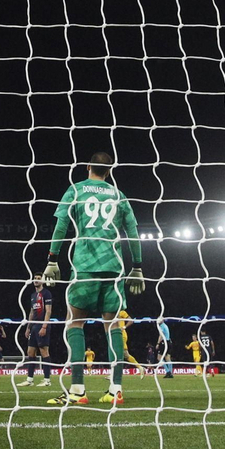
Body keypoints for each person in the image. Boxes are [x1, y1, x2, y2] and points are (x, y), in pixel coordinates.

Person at [42, 151, 143, 407]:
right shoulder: (119, 196)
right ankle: (115, 390)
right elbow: (132, 232)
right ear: (109, 171)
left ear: (88, 167)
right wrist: (138, 267)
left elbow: (61, 225)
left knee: (74, 324)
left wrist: (53, 259)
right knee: (113, 327)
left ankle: (77, 390)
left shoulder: (75, 190)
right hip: (114, 268)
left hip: (85, 268)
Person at [16, 274, 55, 388]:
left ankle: (47, 380)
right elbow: (32, 312)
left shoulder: (46, 293)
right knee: (30, 352)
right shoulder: (33, 295)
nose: (36, 280)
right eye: (35, 279)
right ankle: (29, 379)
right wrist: (28, 327)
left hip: (42, 325)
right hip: (34, 327)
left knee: (44, 352)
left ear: (42, 281)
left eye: (38, 279)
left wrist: (44, 326)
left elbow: (48, 311)